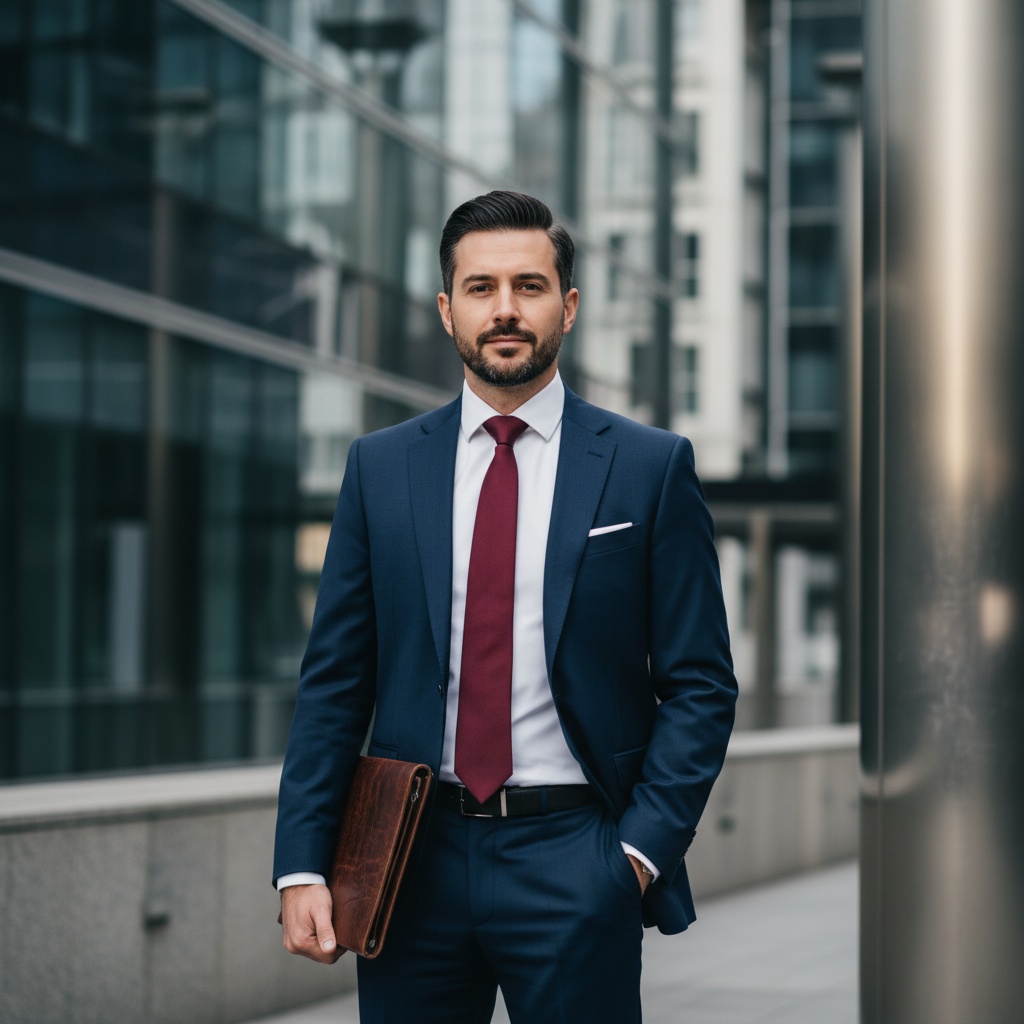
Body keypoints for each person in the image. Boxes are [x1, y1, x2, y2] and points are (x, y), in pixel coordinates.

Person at [274, 190, 737, 1023]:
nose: (506, 310)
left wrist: (634, 855)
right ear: (448, 310)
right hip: (408, 860)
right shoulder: (380, 469)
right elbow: (335, 683)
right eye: (481, 289)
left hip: (576, 854)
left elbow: (701, 682)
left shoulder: (648, 467)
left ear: (569, 304)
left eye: (529, 285)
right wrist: (303, 864)